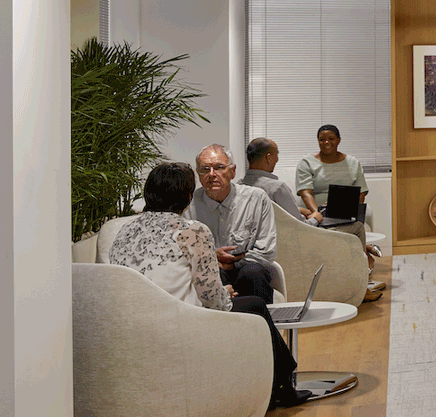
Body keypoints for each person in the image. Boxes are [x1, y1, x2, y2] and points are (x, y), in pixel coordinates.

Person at [107, 162, 309, 408]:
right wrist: (225, 294)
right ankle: (281, 385)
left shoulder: (125, 230)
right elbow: (213, 298)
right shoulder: (191, 231)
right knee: (254, 306)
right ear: (187, 196)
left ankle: (278, 382)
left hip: (130, 322)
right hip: (178, 321)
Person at [188, 144, 280, 302]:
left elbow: (266, 251)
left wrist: (232, 265)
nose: (212, 174)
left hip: (249, 267)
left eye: (219, 167)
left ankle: (262, 318)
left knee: (252, 273)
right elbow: (183, 251)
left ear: (233, 171)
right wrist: (211, 256)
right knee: (212, 275)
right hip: (209, 267)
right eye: (205, 169)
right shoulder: (189, 203)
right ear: (198, 174)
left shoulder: (256, 198)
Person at [296, 124, 377, 264]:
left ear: (339, 140)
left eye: (331, 139)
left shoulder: (352, 163)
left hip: (345, 212)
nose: (326, 142)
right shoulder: (306, 163)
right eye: (322, 140)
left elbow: (360, 194)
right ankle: (366, 250)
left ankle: (362, 261)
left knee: (354, 225)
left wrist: (349, 210)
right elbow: (305, 193)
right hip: (318, 213)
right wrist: (318, 214)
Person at [240, 137, 307, 224]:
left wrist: (297, 209)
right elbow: (299, 224)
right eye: (276, 155)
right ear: (269, 158)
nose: (277, 159)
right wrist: (315, 218)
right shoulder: (277, 189)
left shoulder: (238, 187)